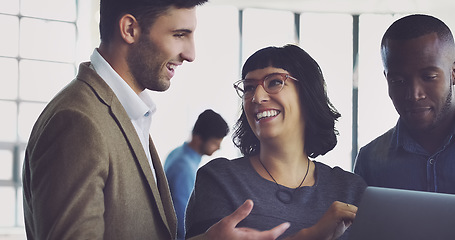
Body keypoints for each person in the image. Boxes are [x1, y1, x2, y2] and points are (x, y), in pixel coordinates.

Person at [21, 0, 293, 239]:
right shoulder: (77, 122)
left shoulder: (127, 113)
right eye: (179, 34)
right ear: (129, 29)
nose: (190, 53)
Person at [186, 44, 367, 240]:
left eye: (273, 82)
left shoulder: (351, 190)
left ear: (307, 94)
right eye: (249, 88)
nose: (257, 97)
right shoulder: (220, 179)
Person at [354, 14, 455, 193]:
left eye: (428, 77)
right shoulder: (369, 160)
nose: (414, 95)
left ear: (453, 73)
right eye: (398, 81)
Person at [164, 109, 229, 240]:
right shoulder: (184, 168)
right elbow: (182, 222)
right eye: (215, 143)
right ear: (198, 138)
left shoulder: (177, 153)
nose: (218, 147)